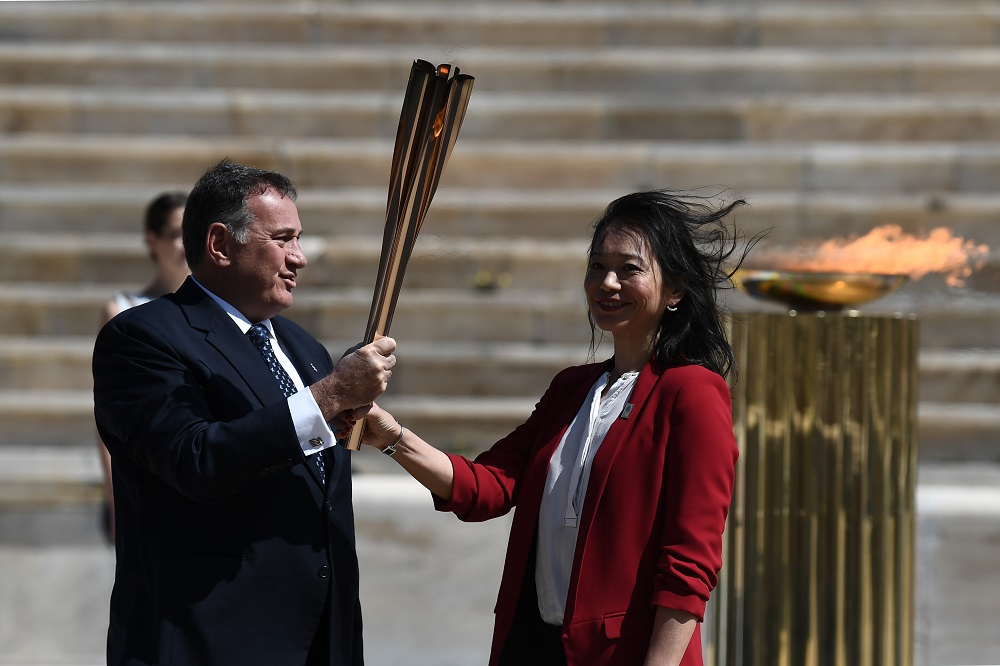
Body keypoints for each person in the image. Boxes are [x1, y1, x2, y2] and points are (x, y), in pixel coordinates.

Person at [360, 190, 753, 666]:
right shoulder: (571, 389)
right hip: (537, 646)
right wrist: (390, 436)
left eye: (629, 269)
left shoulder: (692, 391)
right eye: (597, 267)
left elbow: (690, 562)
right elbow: (486, 486)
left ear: (675, 289)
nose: (607, 283)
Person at [93, 159, 396, 666]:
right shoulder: (144, 338)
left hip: (319, 638)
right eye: (282, 239)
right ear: (220, 244)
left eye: (299, 239)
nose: (299, 258)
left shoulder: (305, 350)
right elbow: (196, 460)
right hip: (207, 639)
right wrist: (329, 396)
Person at [97, 190, 189, 542]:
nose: (185, 243)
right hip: (146, 477)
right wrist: (115, 494)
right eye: (176, 233)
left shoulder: (222, 310)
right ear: (153, 241)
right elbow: (109, 418)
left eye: (191, 231)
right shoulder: (122, 311)